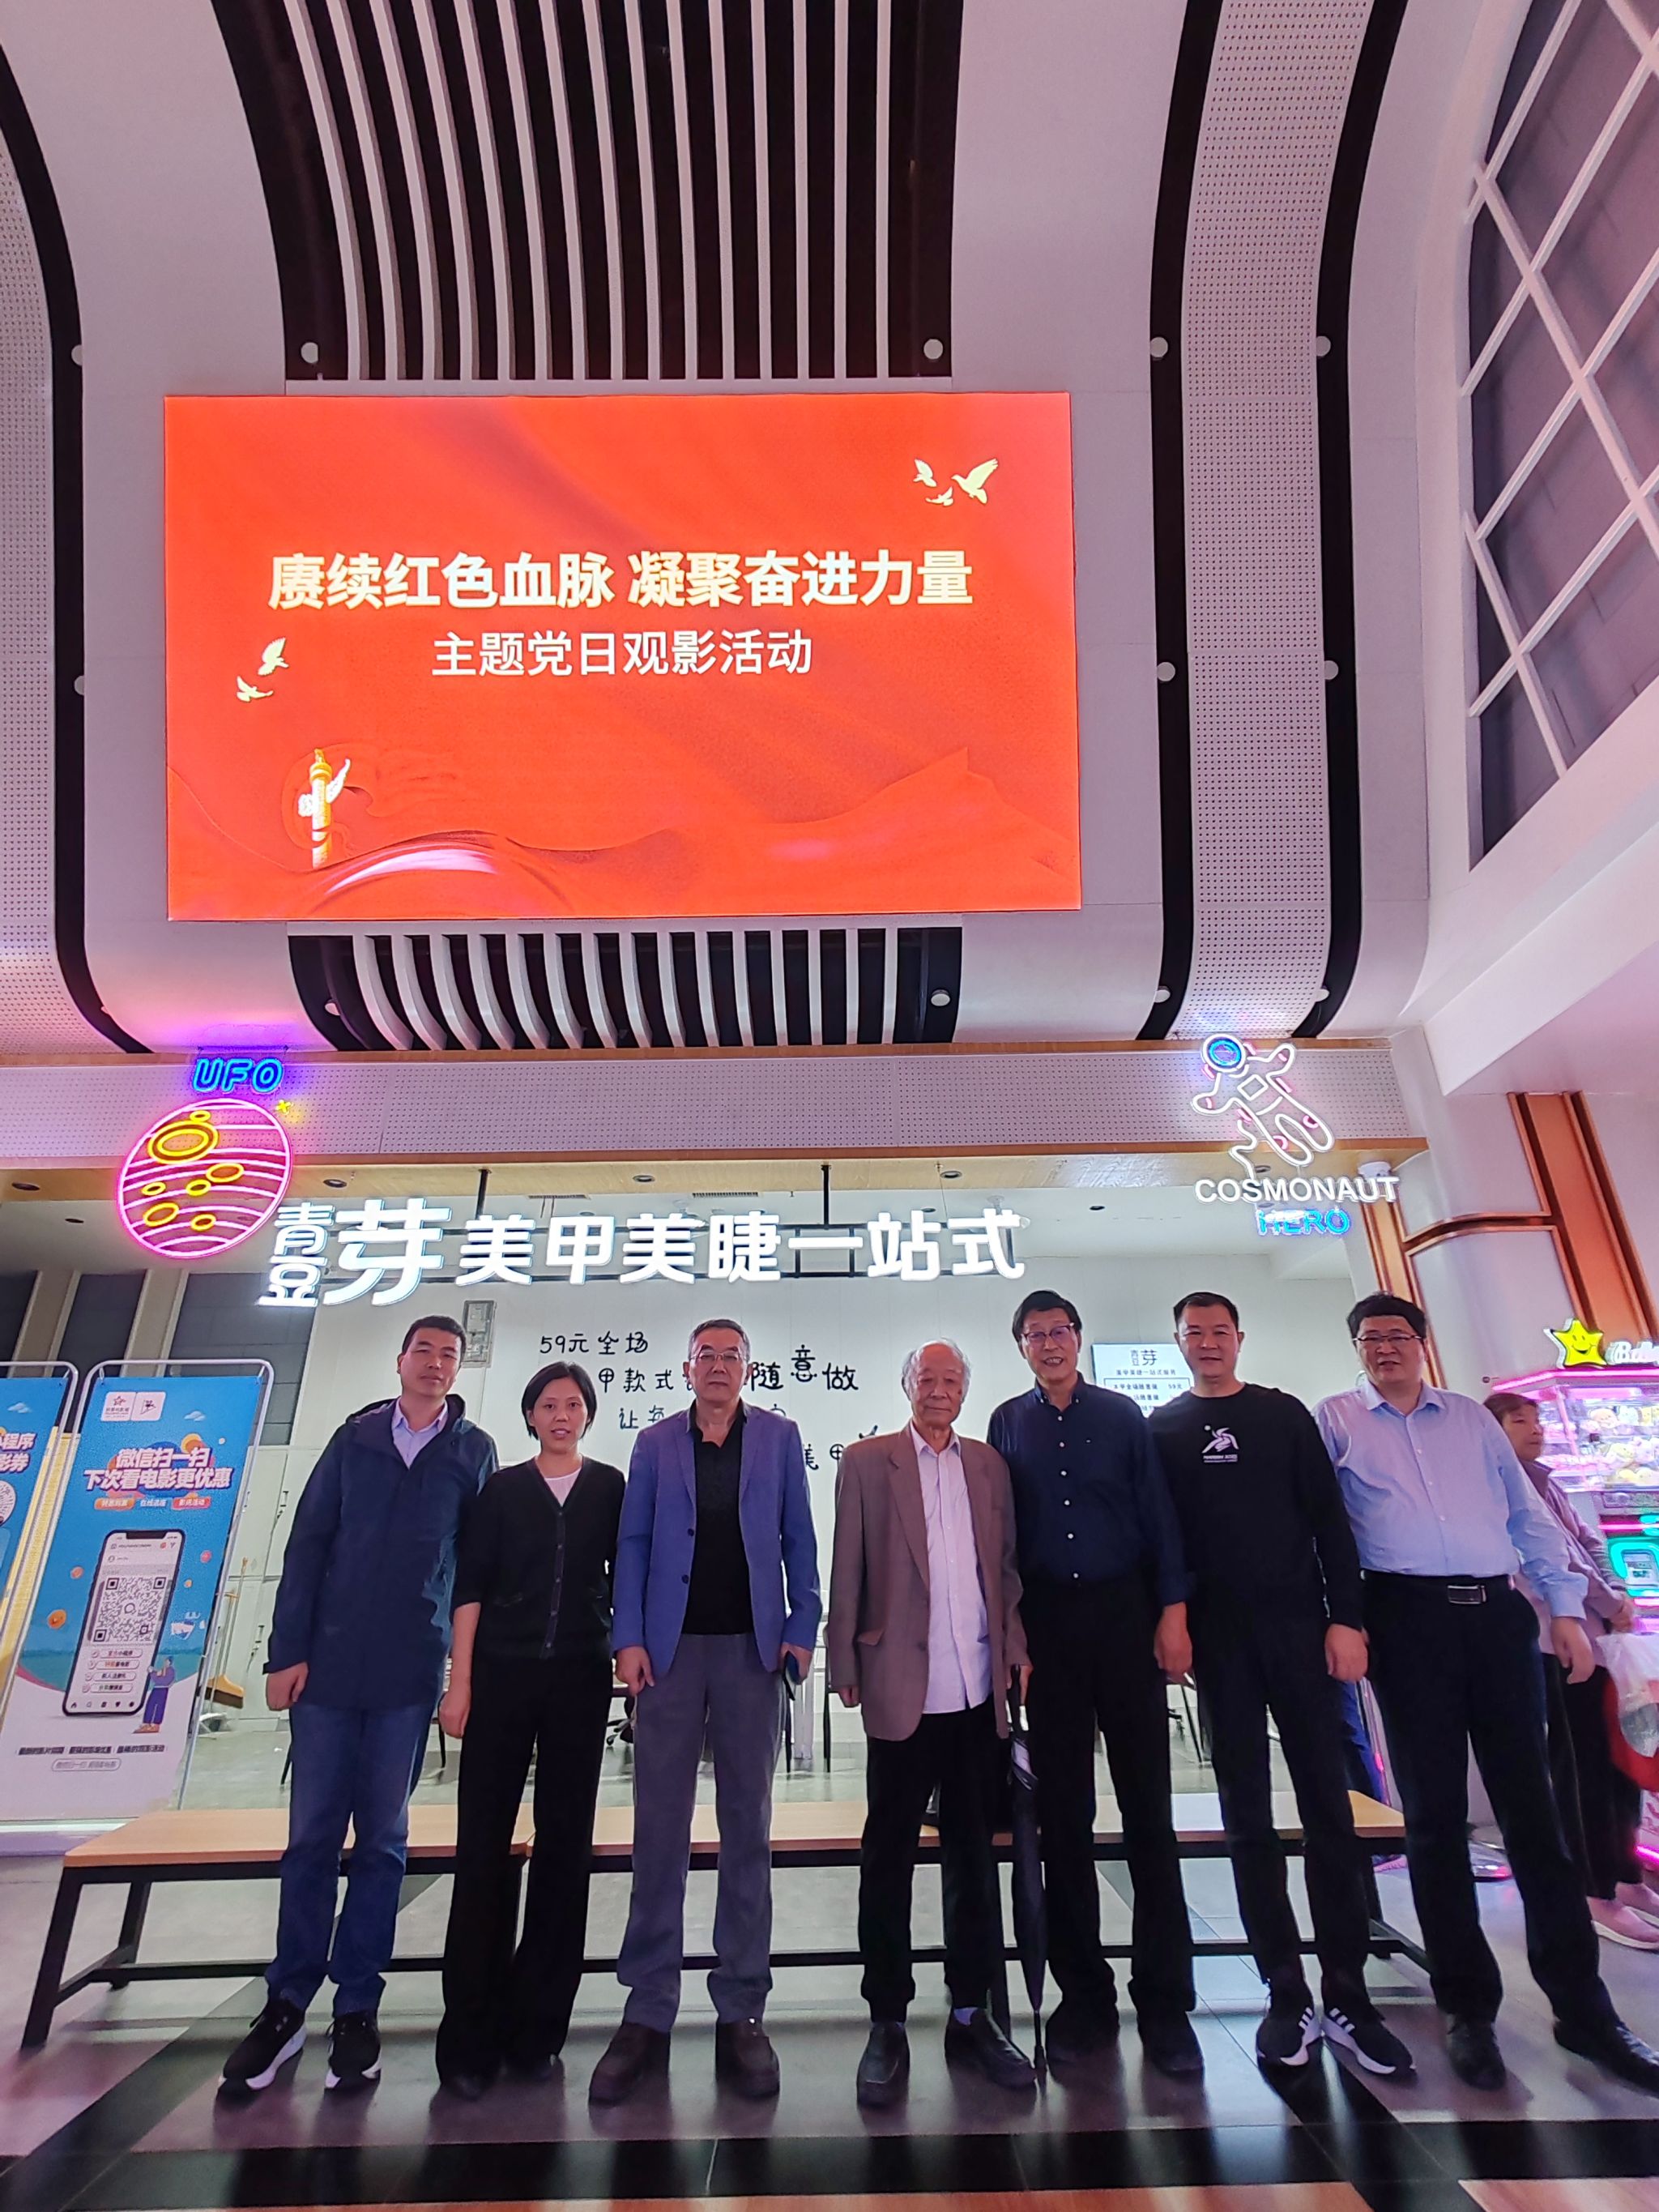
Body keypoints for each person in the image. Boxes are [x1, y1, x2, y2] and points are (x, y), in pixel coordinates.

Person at [1316, 1294, 1659, 2093]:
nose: (1385, 1348)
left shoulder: (1471, 1420)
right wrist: (1344, 1619)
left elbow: (1528, 1518)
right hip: (1404, 1620)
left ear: (1421, 1342)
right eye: (1369, 1338)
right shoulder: (1335, 1420)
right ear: (1356, 1349)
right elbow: (1324, 1531)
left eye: (1398, 1335)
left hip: (1497, 1617)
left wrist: (1564, 1610)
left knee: (1534, 1815)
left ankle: (1584, 2009)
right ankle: (1466, 2008)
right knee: (1434, 1822)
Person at [221, 1317, 497, 2096]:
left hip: (409, 1672)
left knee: (382, 1845)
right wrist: (286, 1652)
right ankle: (285, 2005)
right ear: (400, 1360)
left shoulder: (472, 1452)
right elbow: (307, 1544)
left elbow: (475, 1568)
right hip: (329, 1672)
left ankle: (356, 2008)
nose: (436, 1364)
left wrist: (462, 1673)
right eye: (424, 1352)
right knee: (310, 1841)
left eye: (449, 1355)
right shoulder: (355, 1439)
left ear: (458, 1369)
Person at [1149, 1292, 1413, 2077]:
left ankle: (1347, 1990)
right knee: (1246, 1819)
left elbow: (1329, 1522)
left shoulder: (1282, 1415)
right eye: (1193, 1333)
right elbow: (1165, 1541)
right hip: (1220, 1647)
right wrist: (1174, 1624)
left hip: (1302, 1634)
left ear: (1239, 1337)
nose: (1207, 1342)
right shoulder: (1162, 1428)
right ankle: (1284, 1988)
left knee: (1329, 1809)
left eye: (1218, 1331)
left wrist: (1346, 1619)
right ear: (1177, 1342)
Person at [589, 1318, 820, 2104]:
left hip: (751, 1655)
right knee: (658, 1830)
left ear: (748, 1368)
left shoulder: (779, 1438)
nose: (718, 1366)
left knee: (746, 1830)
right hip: (670, 1656)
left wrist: (800, 1629)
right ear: (686, 1368)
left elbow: (798, 1539)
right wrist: (627, 1638)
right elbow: (632, 1545)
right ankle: (647, 2009)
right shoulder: (655, 1444)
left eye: (731, 1356)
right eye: (706, 1356)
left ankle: (741, 2008)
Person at [987, 1289, 1201, 2077]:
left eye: (1059, 1331)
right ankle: (1083, 1996)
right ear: (1020, 1347)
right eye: (1034, 1334)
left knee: (1149, 1814)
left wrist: (1172, 1614)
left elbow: (1160, 1519)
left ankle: (1165, 2001)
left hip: (1125, 1620)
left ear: (1078, 1338)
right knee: (1063, 1821)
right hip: (1048, 1632)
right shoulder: (1007, 1423)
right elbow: (1002, 1541)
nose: (1049, 1343)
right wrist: (1012, 1639)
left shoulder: (1120, 1416)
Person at [829, 1339, 1034, 2107]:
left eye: (951, 1379)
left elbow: (1004, 1569)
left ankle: (972, 2011)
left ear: (965, 1390)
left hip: (977, 1689)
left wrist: (1014, 1647)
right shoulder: (867, 1461)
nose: (938, 1390)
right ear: (906, 1384)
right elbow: (847, 1564)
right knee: (887, 1856)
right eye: (927, 1378)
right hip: (898, 1684)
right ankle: (886, 2017)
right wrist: (842, 1660)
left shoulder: (988, 1465)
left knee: (973, 1857)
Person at [435, 1362, 626, 2096]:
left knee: (565, 1850)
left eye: (573, 1404)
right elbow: (470, 1586)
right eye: (548, 1404)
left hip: (580, 1682)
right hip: (501, 1679)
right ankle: (469, 2035)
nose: (561, 1415)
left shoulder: (609, 1488)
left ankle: (539, 2027)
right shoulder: (503, 1489)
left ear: (588, 1416)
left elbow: (628, 1576)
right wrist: (461, 1681)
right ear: (530, 1415)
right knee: (482, 1848)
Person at [1485, 1390, 1659, 1951]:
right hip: (1553, 1640)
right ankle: (1593, 1891)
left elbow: (1587, 1543)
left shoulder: (1548, 1482)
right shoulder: (1496, 1487)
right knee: (1579, 1764)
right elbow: (1546, 1565)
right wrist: (1608, 1601)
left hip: (1601, 1635)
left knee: (1619, 1758)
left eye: (1536, 1420)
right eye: (1519, 1421)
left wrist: (1618, 1594)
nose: (1534, 1429)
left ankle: (1626, 1874)